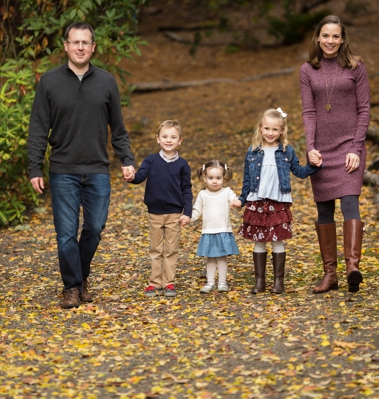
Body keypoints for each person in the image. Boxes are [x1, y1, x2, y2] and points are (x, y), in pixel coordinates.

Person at [26, 22, 136, 309]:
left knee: (95, 228)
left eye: (85, 42)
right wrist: (34, 167)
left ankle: (81, 274)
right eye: (74, 42)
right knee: (65, 234)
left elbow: (118, 128)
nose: (80, 47)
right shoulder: (49, 82)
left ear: (93, 47)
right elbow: (38, 128)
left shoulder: (106, 81)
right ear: (65, 46)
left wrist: (127, 159)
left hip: (98, 168)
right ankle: (72, 287)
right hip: (63, 169)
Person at [300, 15, 372, 294]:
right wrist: (310, 148)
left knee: (350, 204)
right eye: (325, 36)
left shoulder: (356, 67)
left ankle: (353, 267)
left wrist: (356, 148)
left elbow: (364, 109)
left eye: (336, 36)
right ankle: (330, 275)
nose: (330, 41)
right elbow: (308, 111)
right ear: (318, 38)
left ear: (343, 39)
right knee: (324, 209)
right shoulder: (307, 70)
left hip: (349, 148)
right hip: (321, 149)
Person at [239, 108, 321, 294]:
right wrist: (242, 199)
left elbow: (299, 172)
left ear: (282, 131)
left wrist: (314, 166)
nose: (270, 133)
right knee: (259, 241)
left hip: (278, 202)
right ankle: (260, 281)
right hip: (257, 201)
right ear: (260, 128)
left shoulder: (286, 150)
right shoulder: (253, 151)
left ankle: (278, 282)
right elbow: (246, 180)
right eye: (267, 128)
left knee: (277, 240)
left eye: (275, 130)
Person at [128, 120, 193, 297]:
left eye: (173, 137)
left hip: (174, 214)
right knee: (156, 249)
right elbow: (140, 176)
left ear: (180, 140)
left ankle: (169, 283)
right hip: (155, 213)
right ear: (158, 139)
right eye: (165, 136)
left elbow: (186, 189)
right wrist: (131, 177)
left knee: (171, 249)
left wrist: (187, 212)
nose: (169, 140)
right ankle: (154, 283)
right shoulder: (151, 160)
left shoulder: (182, 165)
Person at [191, 160, 242, 293]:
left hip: (223, 230)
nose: (215, 181)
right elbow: (197, 211)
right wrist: (187, 217)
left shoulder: (227, 192)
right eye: (211, 178)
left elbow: (234, 201)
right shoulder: (203, 194)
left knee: (221, 258)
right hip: (208, 232)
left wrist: (236, 203)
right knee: (211, 258)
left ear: (224, 178)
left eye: (218, 178)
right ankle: (210, 282)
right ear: (204, 178)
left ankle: (223, 282)